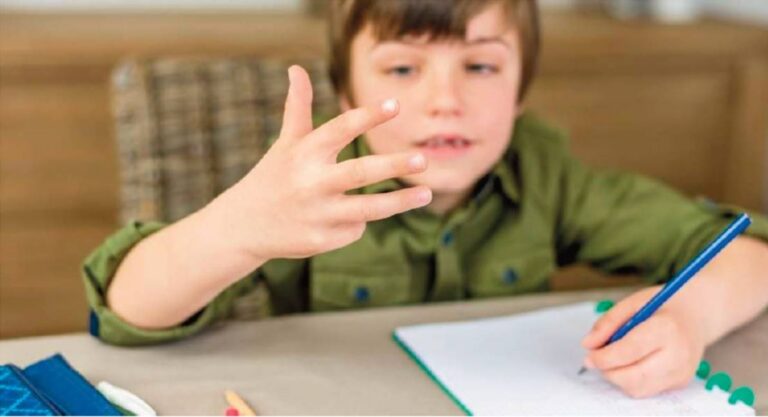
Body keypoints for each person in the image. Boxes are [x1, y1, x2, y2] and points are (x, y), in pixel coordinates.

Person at [83, 0, 768, 399]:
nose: (446, 100)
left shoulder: (549, 176)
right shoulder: (304, 189)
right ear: (348, 92)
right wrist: (236, 230)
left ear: (520, 90)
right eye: (404, 68)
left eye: (480, 65)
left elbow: (752, 254)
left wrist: (689, 317)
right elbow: (124, 314)